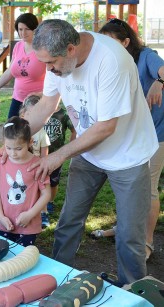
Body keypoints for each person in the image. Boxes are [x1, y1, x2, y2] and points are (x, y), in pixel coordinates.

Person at [25, 19, 158, 285]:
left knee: (130, 234)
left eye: (52, 63)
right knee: (68, 221)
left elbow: (106, 127)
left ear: (71, 49)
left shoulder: (111, 60)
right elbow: (47, 104)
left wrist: (59, 154)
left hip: (127, 155)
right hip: (87, 151)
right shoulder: (57, 60)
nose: (48, 70)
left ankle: (132, 293)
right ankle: (57, 280)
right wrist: (13, 140)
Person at [98, 18, 164, 261]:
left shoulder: (146, 56)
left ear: (126, 42)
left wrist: (160, 82)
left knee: (149, 189)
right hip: (127, 134)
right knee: (126, 184)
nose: (106, 46)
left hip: (156, 134)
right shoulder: (108, 61)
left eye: (111, 41)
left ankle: (146, 241)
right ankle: (123, 228)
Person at [0, 117, 51, 247]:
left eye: (18, 148)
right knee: (5, 258)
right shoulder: (1, 163)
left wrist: (30, 214)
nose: (13, 153)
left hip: (28, 226)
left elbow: (47, 194)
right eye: (8, 148)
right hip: (5, 223)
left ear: (30, 142)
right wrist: (0, 216)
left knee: (24, 259)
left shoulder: (38, 165)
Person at [0, 13, 46, 118]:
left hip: (37, 101)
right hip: (17, 99)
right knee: (11, 130)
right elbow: (10, 71)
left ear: (35, 29)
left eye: (27, 29)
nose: (23, 33)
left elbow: (53, 76)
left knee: (32, 133)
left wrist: (43, 94)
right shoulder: (18, 46)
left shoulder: (44, 48)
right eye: (20, 29)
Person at [19, 94, 51, 228]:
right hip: (21, 166)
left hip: (36, 167)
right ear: (23, 113)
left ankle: (43, 213)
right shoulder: (18, 131)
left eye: (36, 114)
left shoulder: (42, 133)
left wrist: (43, 168)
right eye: (29, 113)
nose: (32, 117)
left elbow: (44, 154)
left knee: (39, 192)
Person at [43, 101, 76, 215]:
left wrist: (71, 146)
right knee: (41, 179)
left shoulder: (64, 114)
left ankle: (50, 202)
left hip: (56, 155)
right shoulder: (42, 112)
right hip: (41, 154)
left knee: (53, 180)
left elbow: (74, 129)